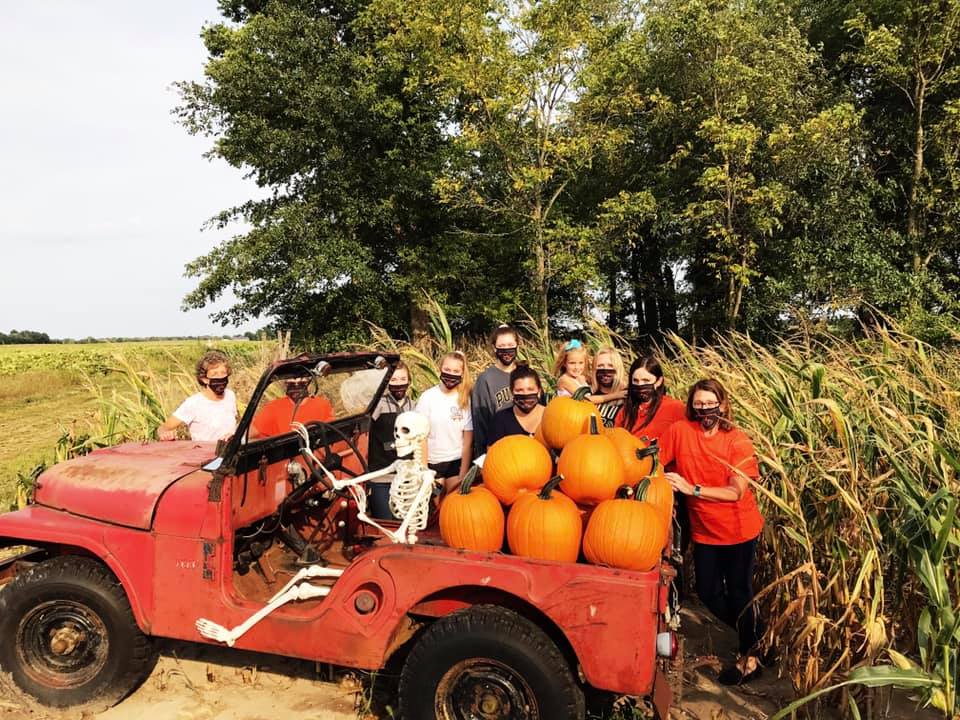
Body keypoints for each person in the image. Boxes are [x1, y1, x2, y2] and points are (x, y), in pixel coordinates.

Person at [660, 378, 767, 685]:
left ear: (723, 405)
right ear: (692, 405)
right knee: (707, 591)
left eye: (711, 403)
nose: (705, 409)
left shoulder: (737, 441)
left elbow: (736, 492)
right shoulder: (681, 431)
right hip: (705, 530)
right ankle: (759, 636)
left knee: (740, 591)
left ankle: (749, 658)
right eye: (699, 403)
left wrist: (690, 487)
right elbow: (655, 457)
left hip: (739, 529)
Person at [415, 351, 474, 493]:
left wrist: (463, 474)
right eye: (447, 370)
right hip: (432, 464)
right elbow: (420, 437)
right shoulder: (427, 398)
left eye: (456, 371)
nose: (451, 374)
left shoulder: (465, 399)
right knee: (435, 509)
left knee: (453, 508)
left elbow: (468, 442)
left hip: (456, 463)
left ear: (462, 373)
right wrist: (424, 470)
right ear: (440, 368)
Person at [367, 362, 414, 519]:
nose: (399, 384)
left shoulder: (415, 407)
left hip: (407, 477)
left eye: (402, 379)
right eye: (393, 380)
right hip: (381, 475)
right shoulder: (377, 405)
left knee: (406, 522)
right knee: (384, 522)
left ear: (409, 381)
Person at [158, 350, 237, 442]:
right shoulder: (193, 403)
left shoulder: (230, 396)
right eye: (215, 374)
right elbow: (163, 429)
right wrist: (166, 434)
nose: (220, 377)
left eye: (223, 373)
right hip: (205, 454)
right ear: (204, 379)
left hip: (230, 453)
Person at [471, 324, 520, 456]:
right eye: (502, 346)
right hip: (499, 451)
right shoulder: (485, 379)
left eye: (510, 345)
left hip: (528, 446)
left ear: (517, 346)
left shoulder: (526, 374)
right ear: (494, 348)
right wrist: (482, 456)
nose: (507, 350)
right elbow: (480, 421)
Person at [615, 355, 686, 442]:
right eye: (636, 381)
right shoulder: (625, 411)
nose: (640, 385)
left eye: (646, 381)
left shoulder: (675, 408)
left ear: (658, 381)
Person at [249, 377, 335, 438]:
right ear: (286, 384)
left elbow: (333, 431)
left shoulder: (322, 404)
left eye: (301, 384)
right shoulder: (273, 407)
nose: (296, 387)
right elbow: (254, 430)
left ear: (308, 383)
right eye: (292, 384)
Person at [488, 366, 545, 444]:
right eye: (519, 390)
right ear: (512, 392)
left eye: (530, 389)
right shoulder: (500, 420)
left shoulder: (551, 416)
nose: (525, 394)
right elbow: (493, 453)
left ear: (539, 391)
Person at [589, 346, 627, 427]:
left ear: (618, 368)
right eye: (600, 366)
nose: (605, 370)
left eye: (610, 366)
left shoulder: (626, 394)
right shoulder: (589, 392)